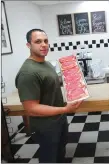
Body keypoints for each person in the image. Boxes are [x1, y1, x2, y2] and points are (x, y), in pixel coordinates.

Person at [15, 29, 82, 163]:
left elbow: (50, 84)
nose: (44, 45)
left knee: (60, 152)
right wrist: (65, 109)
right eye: (38, 41)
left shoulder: (45, 63)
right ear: (29, 45)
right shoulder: (28, 73)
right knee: (49, 157)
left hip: (58, 120)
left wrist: (74, 81)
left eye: (45, 41)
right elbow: (31, 108)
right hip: (46, 126)